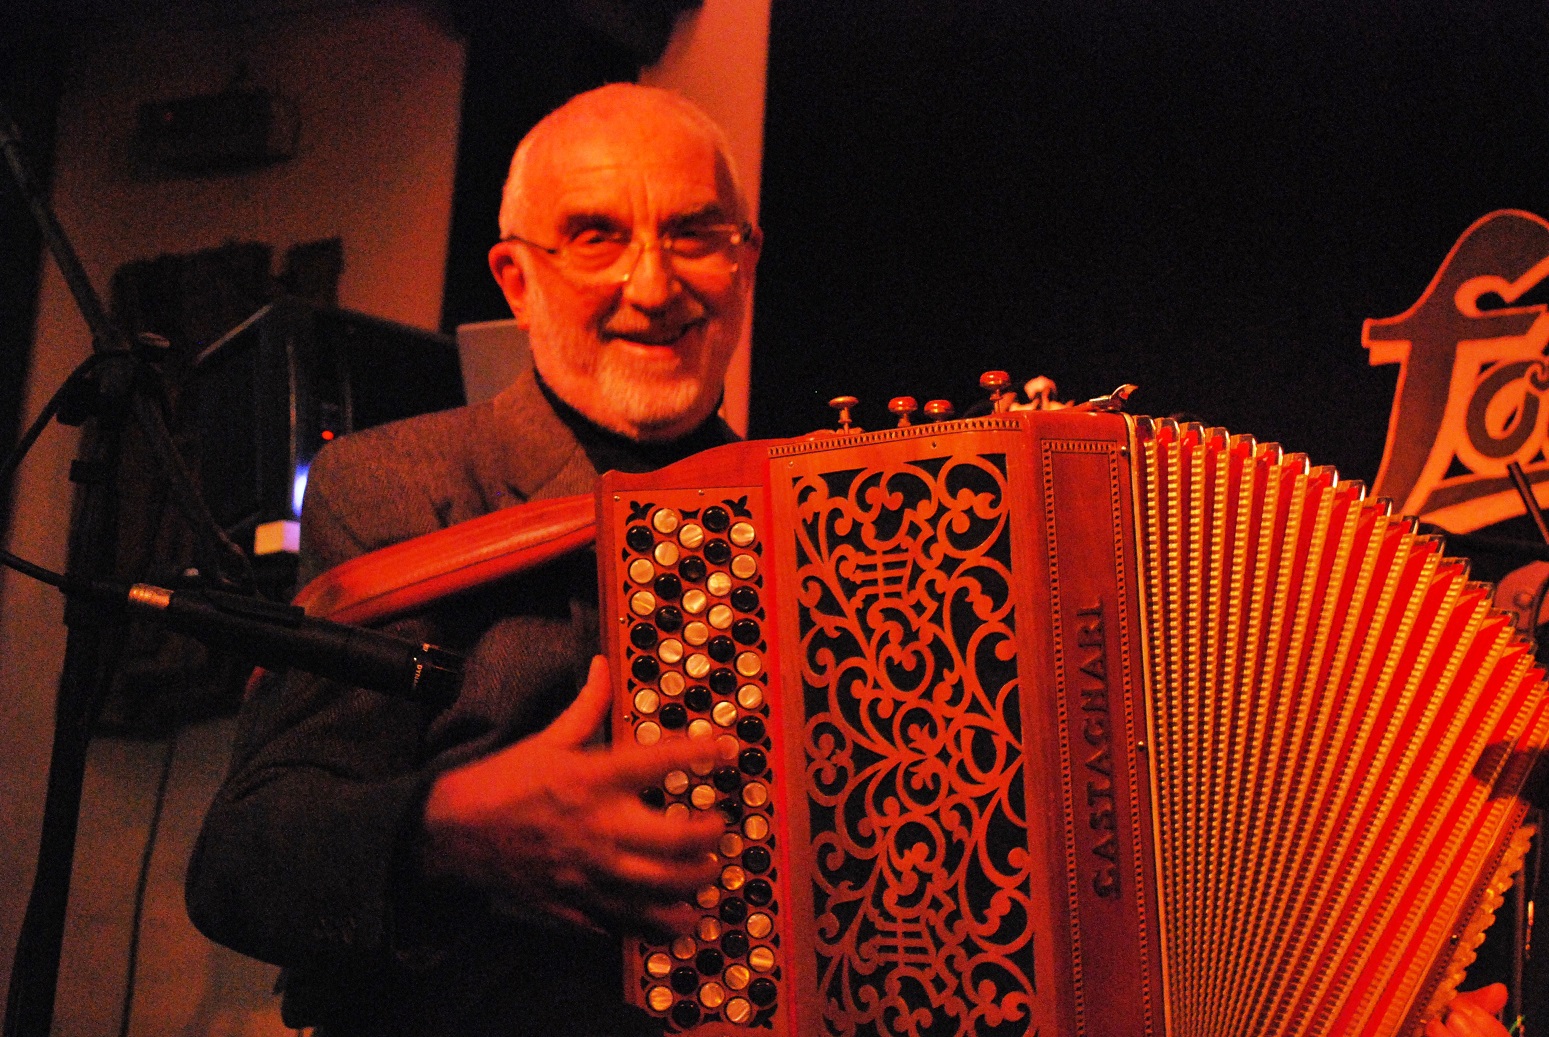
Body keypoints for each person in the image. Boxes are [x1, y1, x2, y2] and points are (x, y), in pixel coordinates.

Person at [186, 82, 1513, 1037]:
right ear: (516, 278)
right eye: (595, 236)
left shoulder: (851, 514)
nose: (652, 284)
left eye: (693, 233)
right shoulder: (402, 485)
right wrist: (446, 837)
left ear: (745, 261)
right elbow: (242, 860)